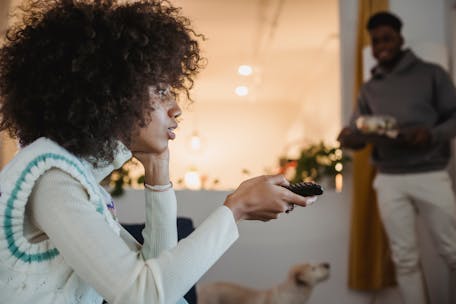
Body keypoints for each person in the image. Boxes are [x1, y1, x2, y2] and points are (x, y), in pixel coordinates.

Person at [0, 1, 314, 303]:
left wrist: (157, 169)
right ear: (114, 95)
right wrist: (237, 209)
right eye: (162, 91)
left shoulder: (76, 180)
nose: (177, 109)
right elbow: (143, 296)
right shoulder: (53, 182)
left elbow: (158, 278)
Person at [338, 11, 456, 304]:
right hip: (389, 179)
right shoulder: (370, 87)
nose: (381, 46)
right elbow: (358, 131)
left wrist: (430, 135)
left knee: (452, 250)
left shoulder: (431, 74)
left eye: (386, 38)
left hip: (430, 173)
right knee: (404, 259)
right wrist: (350, 139)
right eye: (375, 41)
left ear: (400, 38)